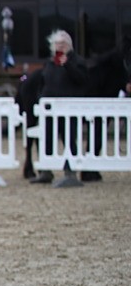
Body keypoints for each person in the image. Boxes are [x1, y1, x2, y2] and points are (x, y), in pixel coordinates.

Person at [39, 30, 97, 181]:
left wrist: (68, 65)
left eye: (64, 44)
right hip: (50, 108)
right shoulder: (50, 62)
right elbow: (45, 82)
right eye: (58, 44)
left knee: (69, 139)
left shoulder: (78, 61)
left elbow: (83, 80)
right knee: (47, 138)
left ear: (70, 45)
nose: (61, 47)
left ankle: (71, 171)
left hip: (70, 108)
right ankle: (45, 171)